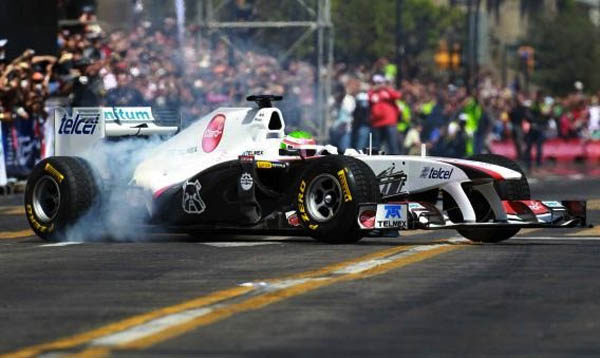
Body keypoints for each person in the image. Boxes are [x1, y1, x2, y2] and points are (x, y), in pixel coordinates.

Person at [368, 74, 401, 154]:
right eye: (376, 83)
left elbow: (397, 95)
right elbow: (369, 98)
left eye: (379, 82)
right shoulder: (372, 93)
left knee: (392, 145)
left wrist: (386, 88)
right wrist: (375, 89)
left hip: (390, 123)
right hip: (377, 123)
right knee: (376, 146)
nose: (378, 84)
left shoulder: (387, 91)